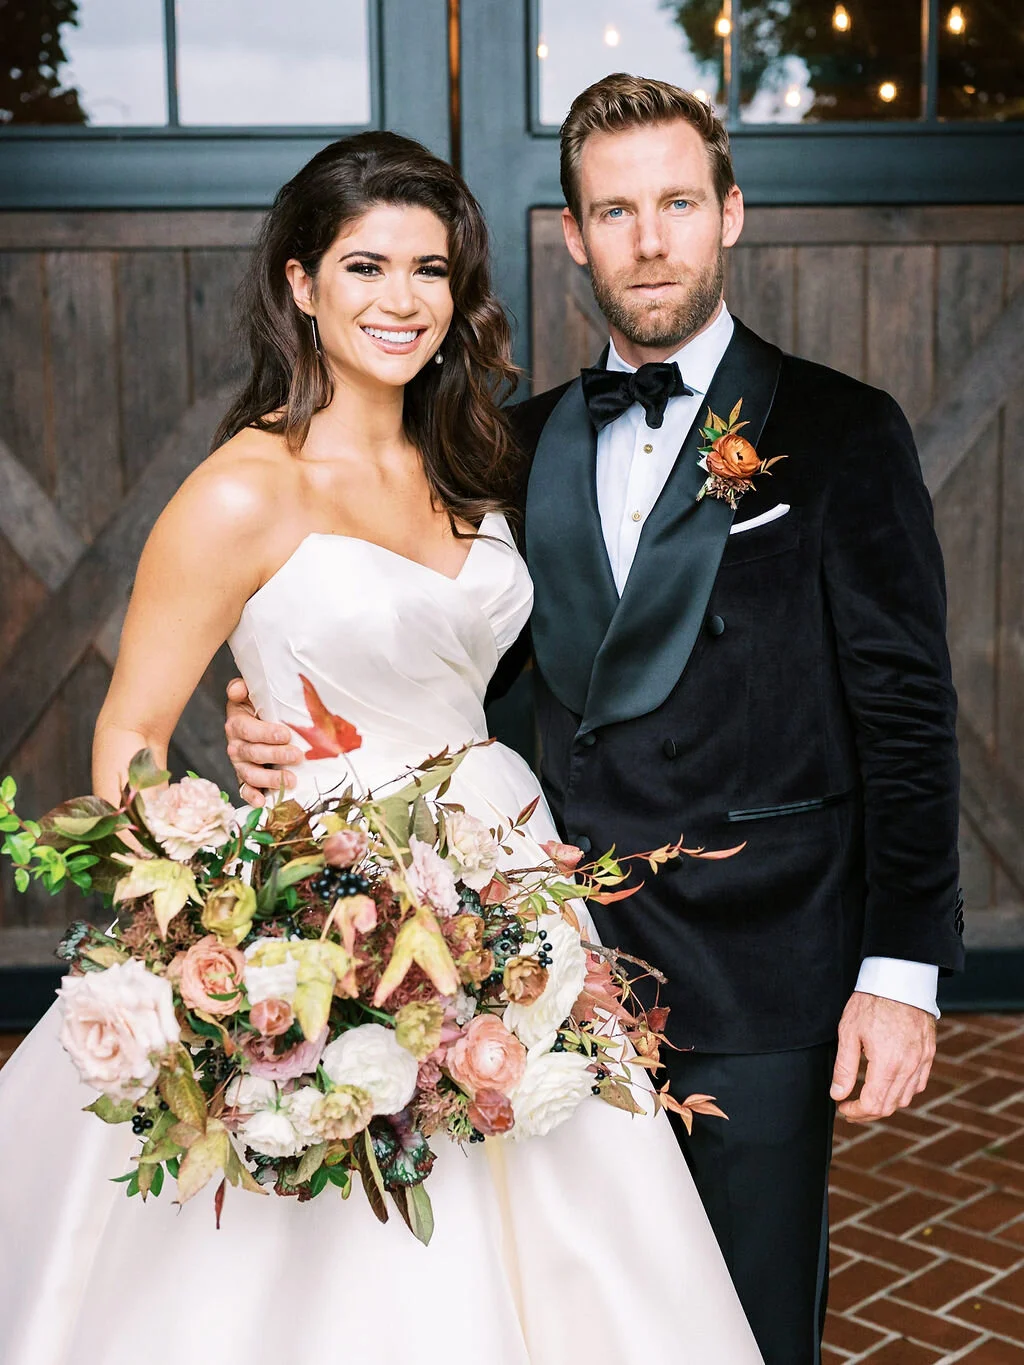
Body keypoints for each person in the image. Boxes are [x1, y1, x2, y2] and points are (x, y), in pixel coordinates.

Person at [227, 81, 964, 1365]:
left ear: (729, 213)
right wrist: (277, 712)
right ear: (572, 234)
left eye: (677, 203)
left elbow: (906, 716)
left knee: (747, 1322)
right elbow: (438, 664)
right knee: (569, 1320)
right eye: (614, 211)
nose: (650, 239)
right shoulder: (501, 449)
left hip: (765, 960)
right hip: (545, 965)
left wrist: (899, 975)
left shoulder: (843, 429)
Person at [0, 132, 763, 1365]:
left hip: (508, 871)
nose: (401, 300)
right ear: (300, 283)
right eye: (366, 267)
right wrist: (212, 919)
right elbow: (129, 730)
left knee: (554, 1193)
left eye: (430, 269)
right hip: (322, 894)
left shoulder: (474, 458)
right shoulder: (241, 490)